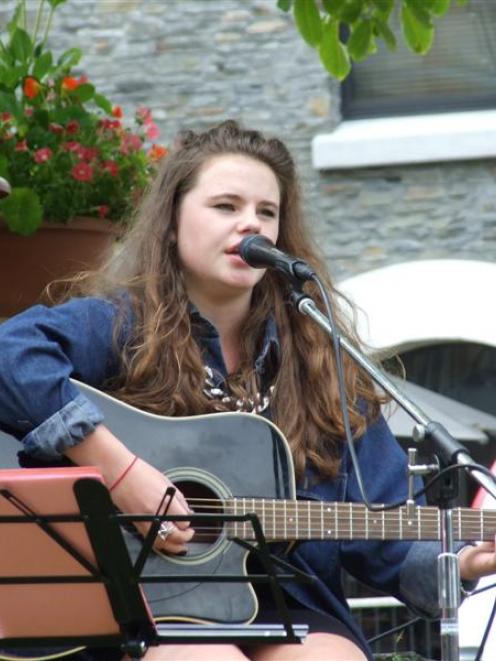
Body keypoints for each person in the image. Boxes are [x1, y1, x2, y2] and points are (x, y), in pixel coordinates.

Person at [0, 120, 495, 661]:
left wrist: (463, 559)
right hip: (142, 604)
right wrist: (119, 470)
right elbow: (11, 352)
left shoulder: (316, 357)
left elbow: (384, 523)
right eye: (225, 206)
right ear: (171, 223)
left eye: (266, 212)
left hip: (288, 600)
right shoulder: (118, 324)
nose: (249, 225)